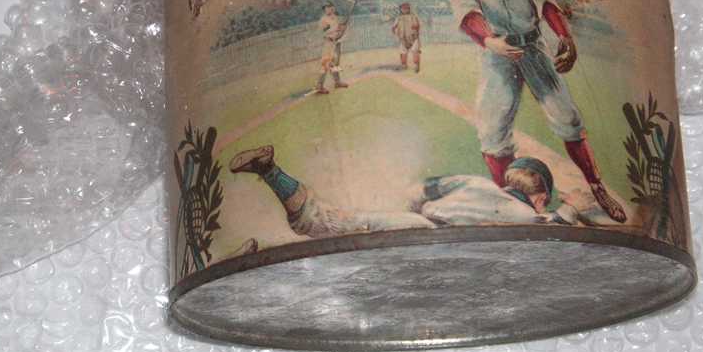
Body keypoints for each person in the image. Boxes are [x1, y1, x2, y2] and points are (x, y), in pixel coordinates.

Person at [445, 0, 626, 223]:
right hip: (497, 55)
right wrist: (490, 41)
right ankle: (509, 203)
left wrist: (565, 36)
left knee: (567, 118)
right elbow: (469, 18)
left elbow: (546, 5)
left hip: (532, 47)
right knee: (492, 132)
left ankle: (597, 187)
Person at [228, 146, 582, 238]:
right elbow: (562, 225)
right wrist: (572, 206)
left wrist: (408, 211)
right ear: (540, 197)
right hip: (433, 240)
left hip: (419, 224)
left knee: (325, 222)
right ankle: (268, 170)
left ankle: (270, 171)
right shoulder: (533, 216)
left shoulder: (478, 183)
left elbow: (422, 189)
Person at [315, 2, 349, 94]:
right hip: (329, 43)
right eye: (327, 7)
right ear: (324, 9)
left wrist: (343, 28)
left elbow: (338, 30)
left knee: (336, 64)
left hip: (337, 43)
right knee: (326, 64)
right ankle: (319, 86)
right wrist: (336, 32)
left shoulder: (335, 17)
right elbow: (325, 32)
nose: (329, 9)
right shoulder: (323, 20)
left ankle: (337, 82)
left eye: (330, 7)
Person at [391, 2, 422, 72]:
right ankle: (404, 65)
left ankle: (417, 66)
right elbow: (394, 27)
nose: (404, 10)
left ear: (409, 9)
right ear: (400, 9)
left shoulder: (413, 16)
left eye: (406, 8)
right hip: (403, 38)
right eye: (402, 9)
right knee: (403, 53)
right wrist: (395, 32)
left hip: (413, 37)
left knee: (415, 52)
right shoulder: (398, 18)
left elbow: (418, 25)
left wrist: (415, 30)